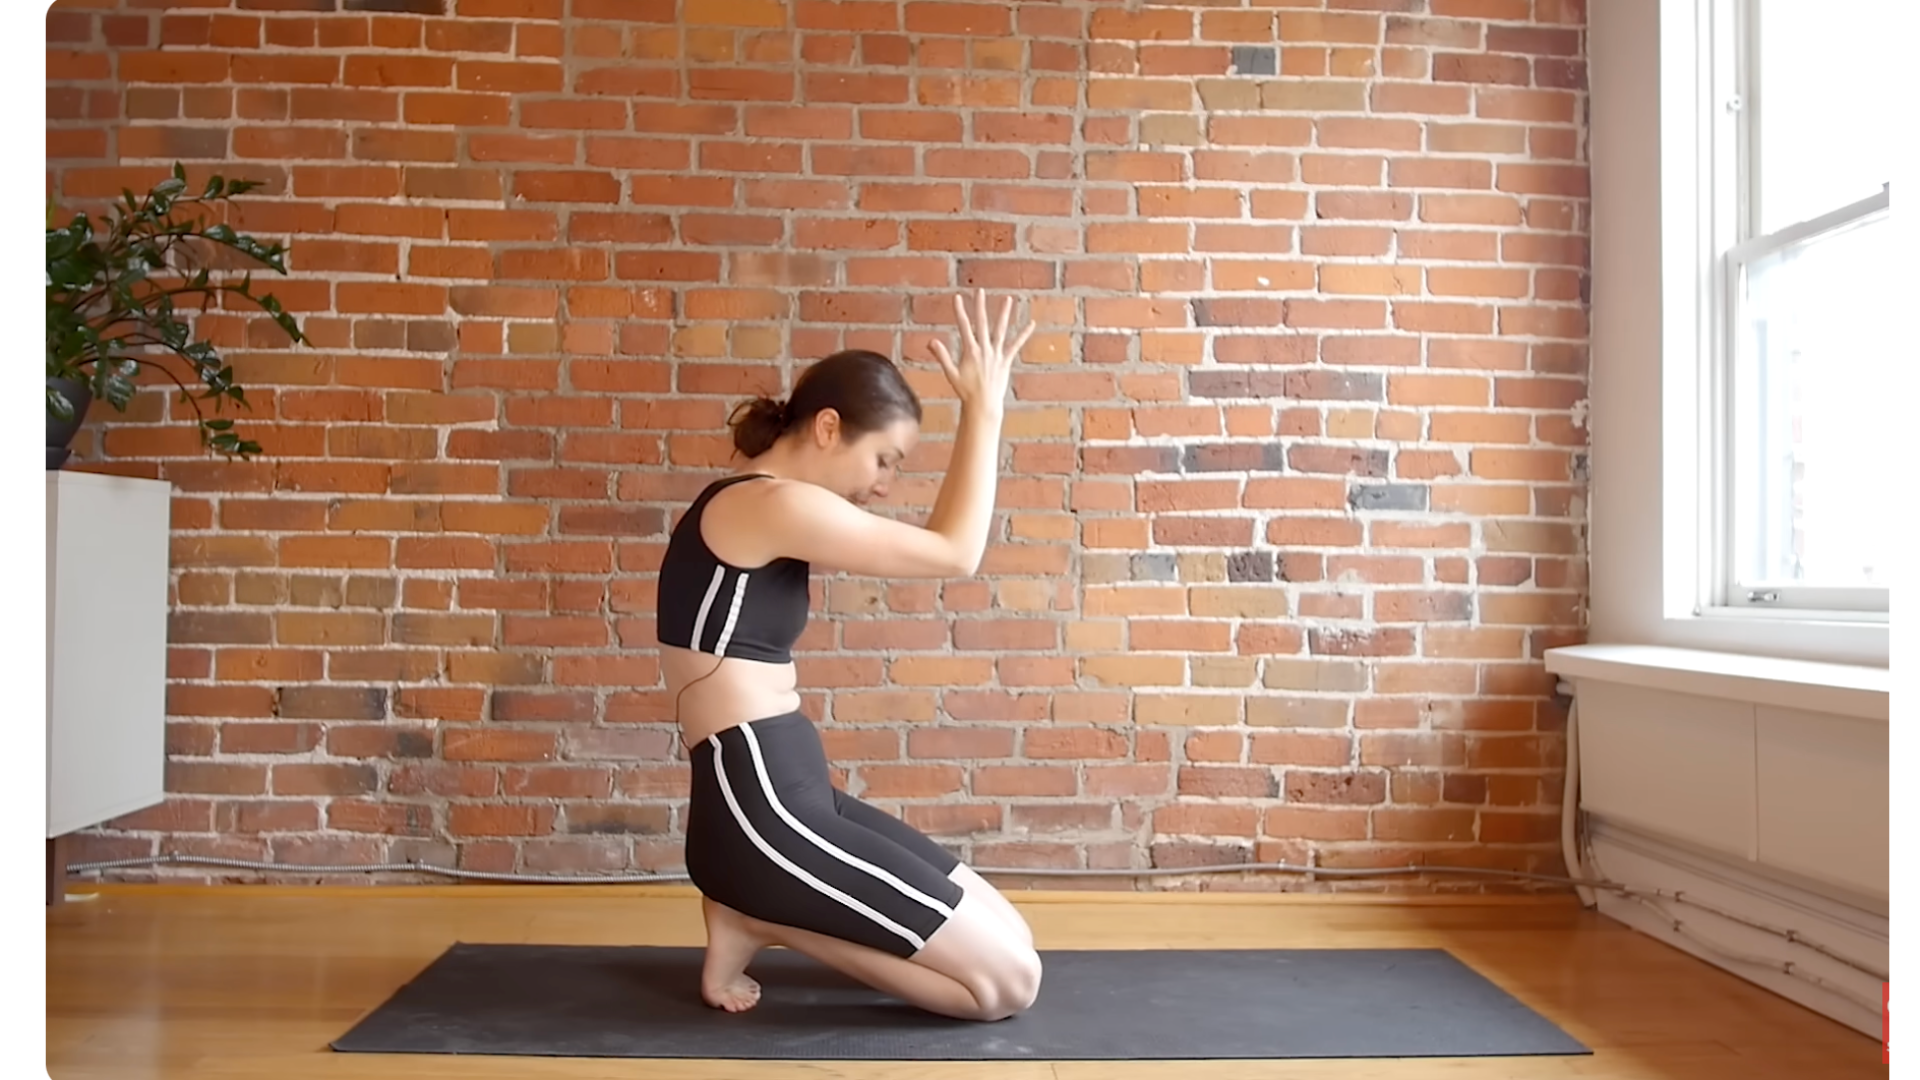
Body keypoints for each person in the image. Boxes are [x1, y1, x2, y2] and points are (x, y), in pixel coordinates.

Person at [657, 290, 1042, 1022]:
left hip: (793, 786)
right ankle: (761, 917)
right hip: (760, 807)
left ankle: (749, 915)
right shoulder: (768, 504)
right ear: (829, 427)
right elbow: (956, 553)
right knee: (1006, 987)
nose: (885, 485)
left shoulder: (762, 507)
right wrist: (984, 409)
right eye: (885, 459)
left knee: (1015, 940)